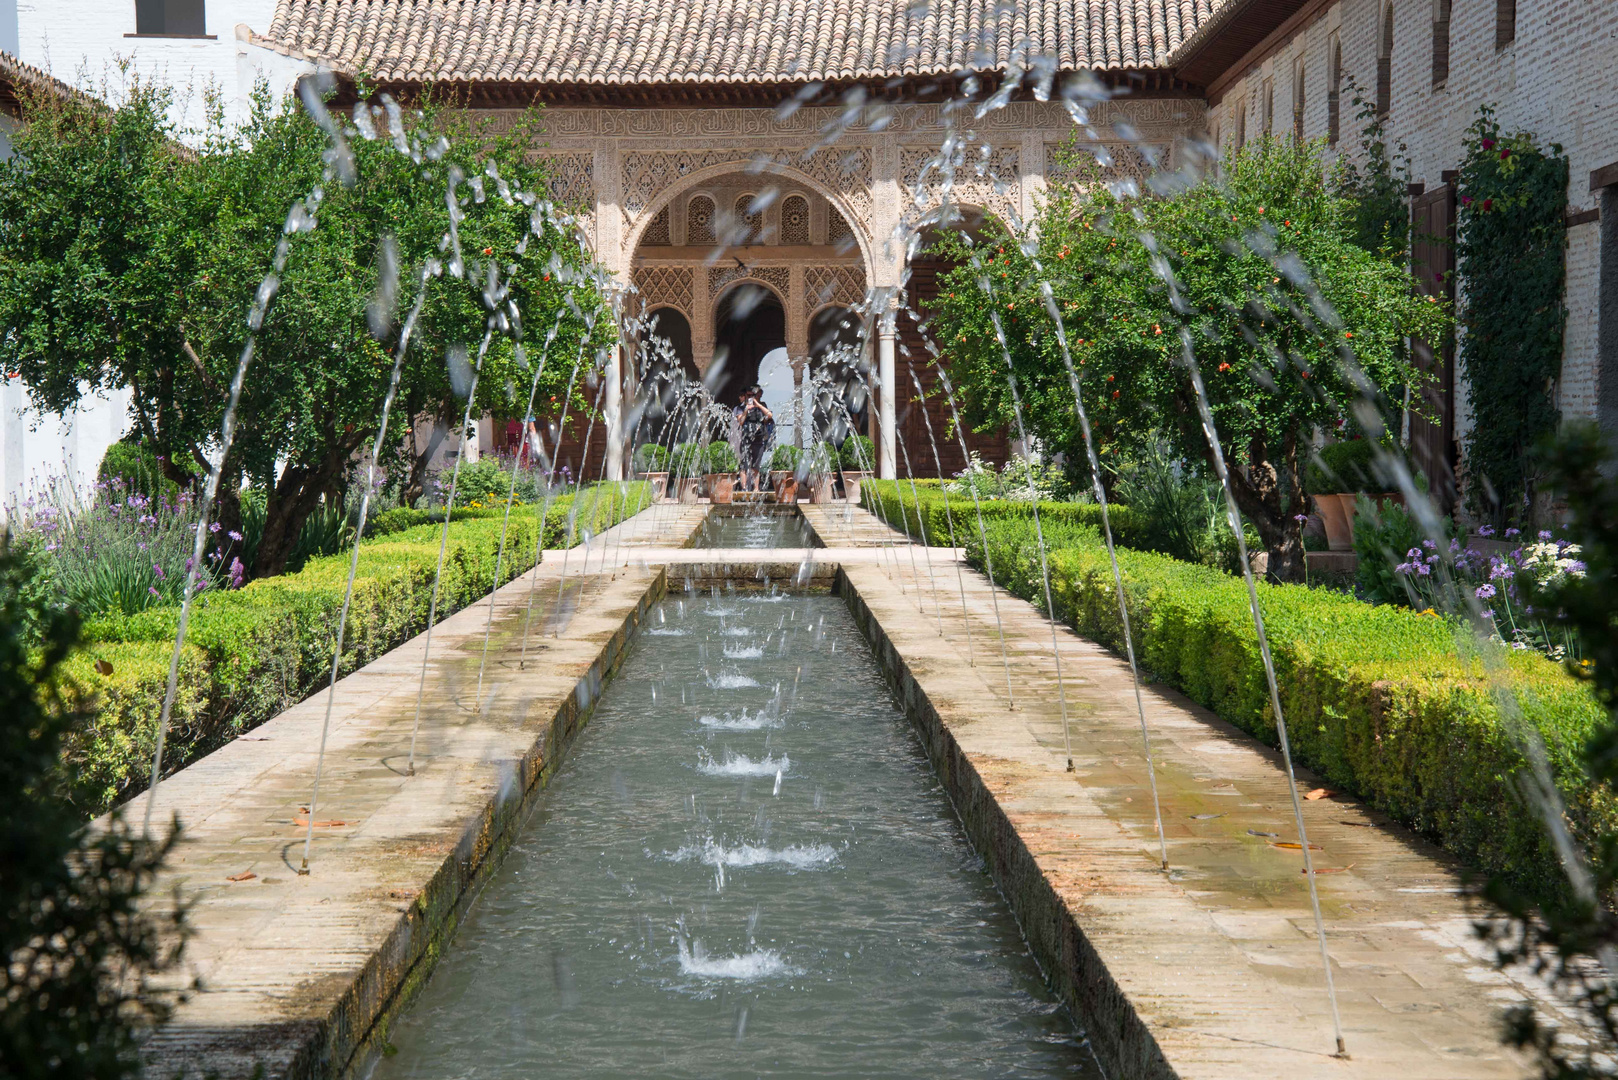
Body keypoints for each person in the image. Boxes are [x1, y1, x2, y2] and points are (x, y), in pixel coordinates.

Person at [734, 385, 773, 492]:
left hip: (758, 439)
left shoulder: (761, 405)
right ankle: (744, 488)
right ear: (745, 396)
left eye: (753, 395)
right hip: (746, 439)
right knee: (744, 465)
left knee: (756, 465)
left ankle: (756, 488)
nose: (751, 397)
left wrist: (757, 404)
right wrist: (746, 409)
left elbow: (769, 415)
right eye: (749, 395)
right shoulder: (740, 408)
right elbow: (741, 422)